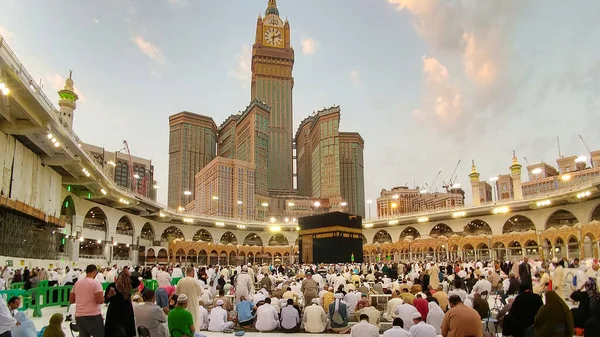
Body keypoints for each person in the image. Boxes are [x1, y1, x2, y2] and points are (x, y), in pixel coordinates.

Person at [69, 264, 104, 337]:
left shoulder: (77, 283)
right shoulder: (96, 283)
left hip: (79, 316)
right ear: (95, 271)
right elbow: (100, 300)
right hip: (93, 316)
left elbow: (71, 300)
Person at [104, 269, 135, 337]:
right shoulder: (112, 286)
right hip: (115, 312)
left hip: (124, 312)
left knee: (124, 331)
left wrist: (130, 275)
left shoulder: (129, 285)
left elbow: (137, 282)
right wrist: (109, 295)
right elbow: (105, 300)